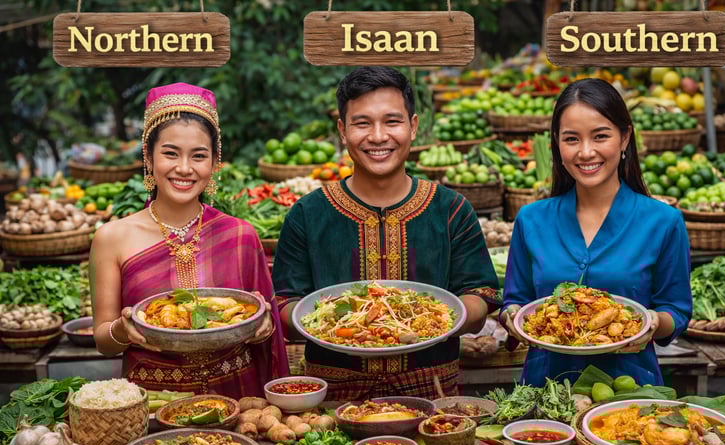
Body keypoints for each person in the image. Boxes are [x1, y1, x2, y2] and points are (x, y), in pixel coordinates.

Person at [271, 66, 500, 401]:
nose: (378, 136)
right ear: (343, 131)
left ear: (413, 127)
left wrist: (437, 318)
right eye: (362, 123)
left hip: (433, 396)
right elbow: (284, 303)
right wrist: (330, 322)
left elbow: (481, 295)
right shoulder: (308, 214)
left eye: (392, 121)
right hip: (334, 399)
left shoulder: (451, 209)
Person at [91, 82, 289, 398]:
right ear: (149, 157)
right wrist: (122, 330)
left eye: (198, 156)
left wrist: (263, 328)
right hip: (155, 402)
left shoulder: (240, 235)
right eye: (170, 153)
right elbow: (103, 341)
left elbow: (265, 328)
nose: (184, 168)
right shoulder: (112, 238)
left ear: (214, 163)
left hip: (239, 400)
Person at [500, 78, 692, 387]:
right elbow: (516, 301)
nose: (586, 152)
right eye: (571, 139)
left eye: (600, 136)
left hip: (628, 391)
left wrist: (654, 322)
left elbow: (677, 311)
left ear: (625, 138)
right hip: (545, 390)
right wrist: (511, 315)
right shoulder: (531, 219)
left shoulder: (663, 221)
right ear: (556, 143)